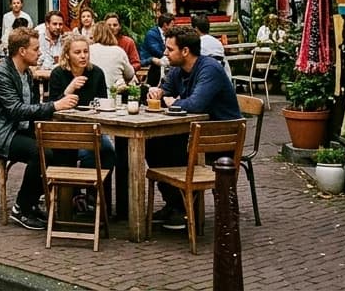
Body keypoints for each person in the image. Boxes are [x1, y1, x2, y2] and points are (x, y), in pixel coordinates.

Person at [0, 27, 80, 230]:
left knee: (63, 147)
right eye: (35, 49)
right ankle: (21, 208)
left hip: (18, 129)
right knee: (40, 153)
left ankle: (54, 203)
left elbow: (32, 108)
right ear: (22, 51)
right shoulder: (0, 74)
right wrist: (55, 105)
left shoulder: (27, 73)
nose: (40, 53)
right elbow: (15, 110)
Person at [145, 24, 241, 230]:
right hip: (194, 132)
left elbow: (196, 104)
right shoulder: (178, 70)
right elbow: (165, 91)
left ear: (185, 51)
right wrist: (158, 93)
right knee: (152, 142)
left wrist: (173, 102)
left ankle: (185, 208)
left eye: (170, 49)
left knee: (171, 149)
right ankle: (176, 204)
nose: (165, 53)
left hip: (221, 137)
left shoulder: (209, 69)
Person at [47, 33, 115, 214]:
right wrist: (69, 89)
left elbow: (103, 103)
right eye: (77, 52)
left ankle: (97, 198)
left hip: (93, 129)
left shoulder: (96, 73)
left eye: (86, 51)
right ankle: (76, 196)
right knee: (86, 153)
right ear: (67, 54)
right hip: (66, 130)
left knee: (107, 150)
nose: (83, 56)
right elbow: (51, 108)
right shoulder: (58, 74)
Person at [89, 23, 136, 90]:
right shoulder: (119, 51)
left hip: (94, 92)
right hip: (114, 92)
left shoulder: (88, 50)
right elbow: (130, 74)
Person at [141, 12, 173, 86]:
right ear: (165, 25)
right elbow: (157, 51)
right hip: (148, 61)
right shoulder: (151, 34)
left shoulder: (168, 34)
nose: (173, 26)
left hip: (161, 61)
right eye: (172, 24)